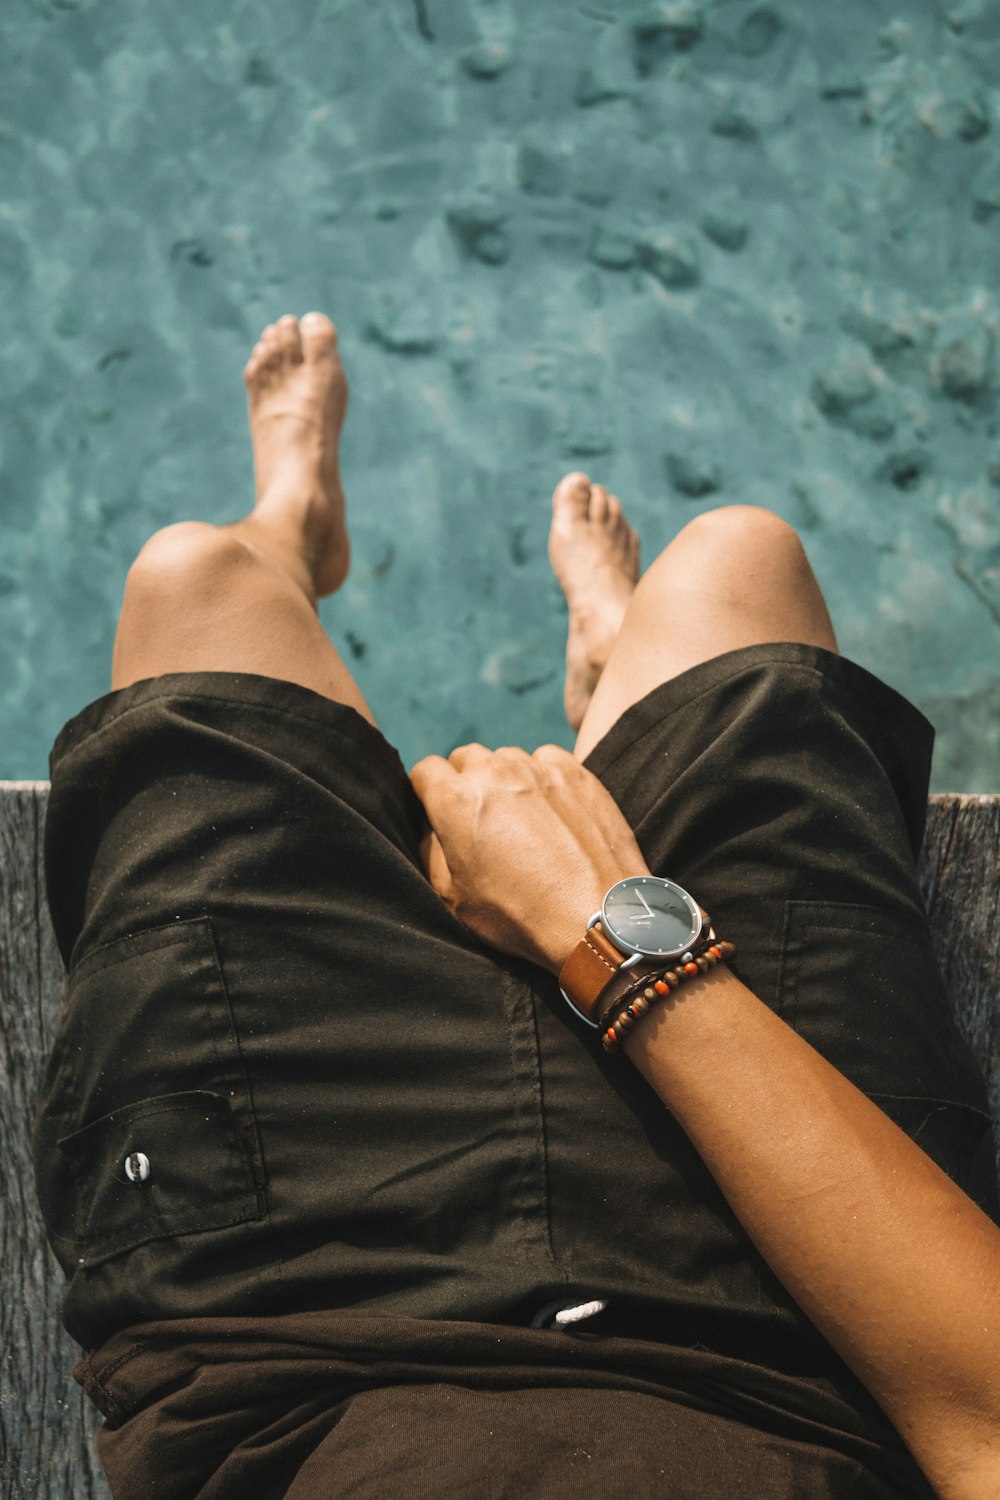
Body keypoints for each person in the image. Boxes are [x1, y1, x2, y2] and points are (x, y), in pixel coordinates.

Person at [34, 311, 1000, 1500]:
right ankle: (613, 673)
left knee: (197, 583)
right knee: (736, 569)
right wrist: (613, 929)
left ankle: (294, 531)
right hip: (790, 1344)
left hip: (298, 1337)